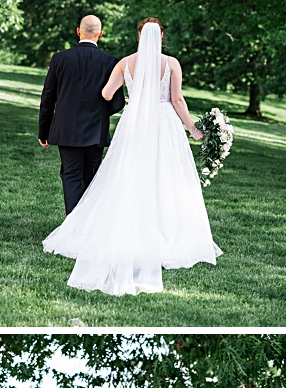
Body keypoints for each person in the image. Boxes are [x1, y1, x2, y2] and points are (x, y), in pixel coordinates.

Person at [43, 18, 221, 295]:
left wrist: (130, 100)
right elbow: (177, 100)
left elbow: (106, 93)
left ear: (139, 36)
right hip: (164, 124)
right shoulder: (171, 63)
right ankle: (166, 232)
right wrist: (194, 130)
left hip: (134, 125)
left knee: (128, 175)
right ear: (161, 36)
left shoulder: (125, 62)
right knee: (167, 176)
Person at [38, 15, 126, 213]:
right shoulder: (110, 61)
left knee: (71, 175)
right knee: (91, 177)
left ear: (79, 31)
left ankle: (71, 226)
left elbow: (48, 98)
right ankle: (85, 226)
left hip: (66, 130)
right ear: (100, 34)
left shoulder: (60, 58)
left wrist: (43, 131)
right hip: (96, 131)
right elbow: (117, 101)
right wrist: (102, 113)